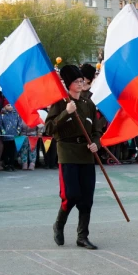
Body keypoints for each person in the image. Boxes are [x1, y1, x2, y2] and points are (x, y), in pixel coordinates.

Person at [45, 65, 103, 250]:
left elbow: (96, 130)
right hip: (67, 152)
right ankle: (59, 223)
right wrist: (66, 113)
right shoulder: (60, 103)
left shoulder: (88, 105)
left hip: (86, 154)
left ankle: (82, 236)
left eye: (82, 81)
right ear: (68, 84)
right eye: (77, 81)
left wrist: (96, 144)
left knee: (87, 198)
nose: (81, 84)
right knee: (70, 195)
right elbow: (49, 128)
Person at [0, 102, 22, 172]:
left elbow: (19, 123)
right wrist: (4, 133)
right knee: (6, 150)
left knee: (13, 151)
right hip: (6, 136)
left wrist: (17, 132)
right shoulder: (2, 115)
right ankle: (6, 164)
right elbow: (0, 125)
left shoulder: (16, 114)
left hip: (14, 135)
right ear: (5, 106)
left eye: (12, 105)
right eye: (8, 105)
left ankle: (12, 164)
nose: (10, 107)